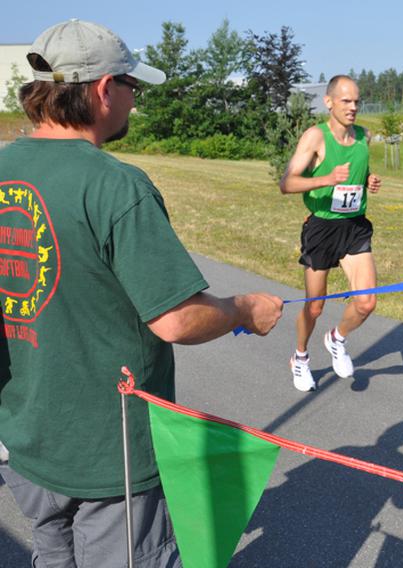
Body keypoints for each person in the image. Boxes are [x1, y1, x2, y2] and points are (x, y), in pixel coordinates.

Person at [0, 19, 284, 567]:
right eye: (134, 87)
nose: (136, 100)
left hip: (24, 434)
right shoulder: (116, 185)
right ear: (105, 90)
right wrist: (244, 308)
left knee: (51, 550)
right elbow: (176, 320)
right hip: (110, 450)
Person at [280, 75, 381, 391]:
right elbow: (287, 183)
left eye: (356, 102)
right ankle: (300, 357)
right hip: (322, 228)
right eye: (346, 101)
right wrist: (324, 179)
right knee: (315, 306)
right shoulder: (315, 138)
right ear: (329, 102)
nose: (353, 108)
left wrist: (369, 182)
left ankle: (337, 338)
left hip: (354, 226)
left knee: (366, 302)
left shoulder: (364, 137)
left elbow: (357, 175)